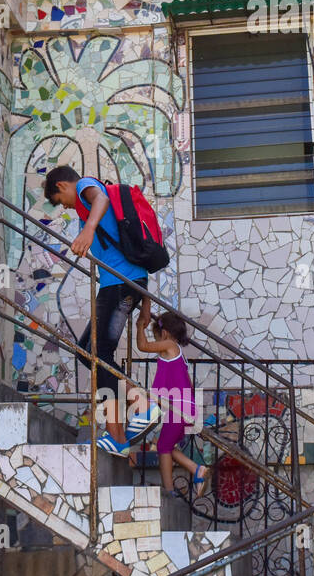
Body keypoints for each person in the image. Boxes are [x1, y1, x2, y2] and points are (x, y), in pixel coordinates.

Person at [44, 164, 161, 456]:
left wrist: (87, 230)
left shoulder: (86, 186)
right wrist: (146, 302)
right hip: (127, 283)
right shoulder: (88, 202)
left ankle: (142, 405)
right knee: (92, 353)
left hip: (119, 285)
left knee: (95, 352)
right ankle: (117, 437)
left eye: (62, 202)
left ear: (61, 186)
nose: (68, 207)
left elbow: (101, 198)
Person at [134, 296, 209, 498]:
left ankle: (172, 488)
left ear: (164, 333)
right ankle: (195, 470)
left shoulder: (169, 345)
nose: (157, 342)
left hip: (179, 409)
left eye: (157, 336)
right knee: (164, 446)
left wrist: (140, 326)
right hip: (184, 408)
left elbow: (142, 346)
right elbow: (188, 385)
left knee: (163, 448)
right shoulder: (179, 355)